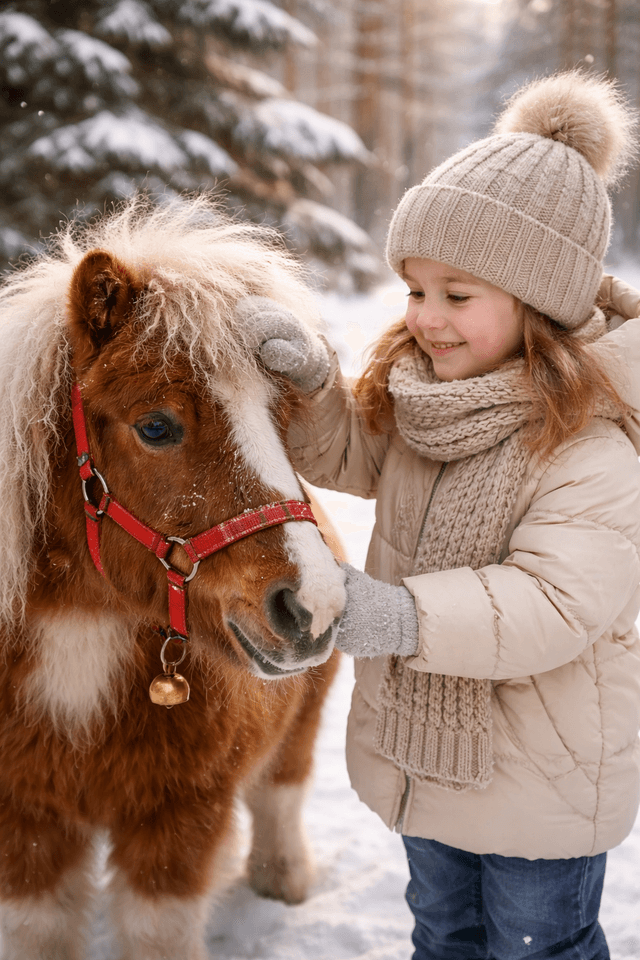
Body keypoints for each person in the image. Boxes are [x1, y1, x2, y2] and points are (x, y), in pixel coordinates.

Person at [235, 71, 640, 960]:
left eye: (457, 297)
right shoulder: (431, 400)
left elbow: (553, 603)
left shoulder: (592, 444)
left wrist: (398, 613)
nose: (425, 319)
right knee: (445, 933)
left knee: (538, 946)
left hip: (542, 782)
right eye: (416, 291)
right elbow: (358, 453)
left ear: (541, 303)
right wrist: (309, 388)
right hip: (430, 764)